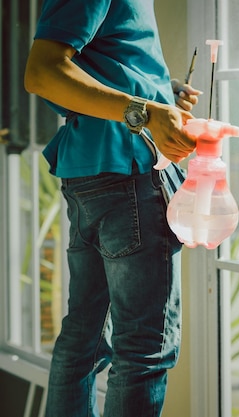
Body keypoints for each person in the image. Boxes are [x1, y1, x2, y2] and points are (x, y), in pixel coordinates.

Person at [23, 0, 201, 416]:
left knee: (82, 336)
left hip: (92, 171)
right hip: (127, 175)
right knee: (144, 350)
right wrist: (145, 110)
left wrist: (158, 91)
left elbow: (99, 59)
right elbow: (42, 72)